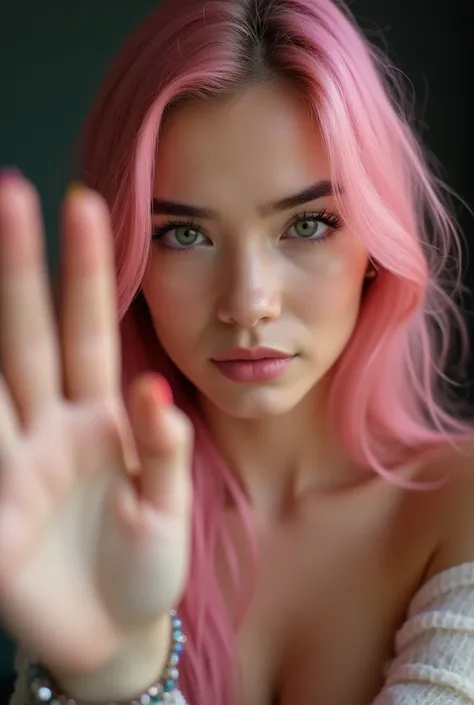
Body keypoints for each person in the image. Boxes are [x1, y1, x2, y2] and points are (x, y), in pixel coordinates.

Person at [1, 0, 474, 703]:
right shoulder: (92, 521)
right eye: (185, 235)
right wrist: (110, 666)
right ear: (130, 261)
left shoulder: (458, 507)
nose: (249, 301)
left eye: (307, 224)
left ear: (375, 243)